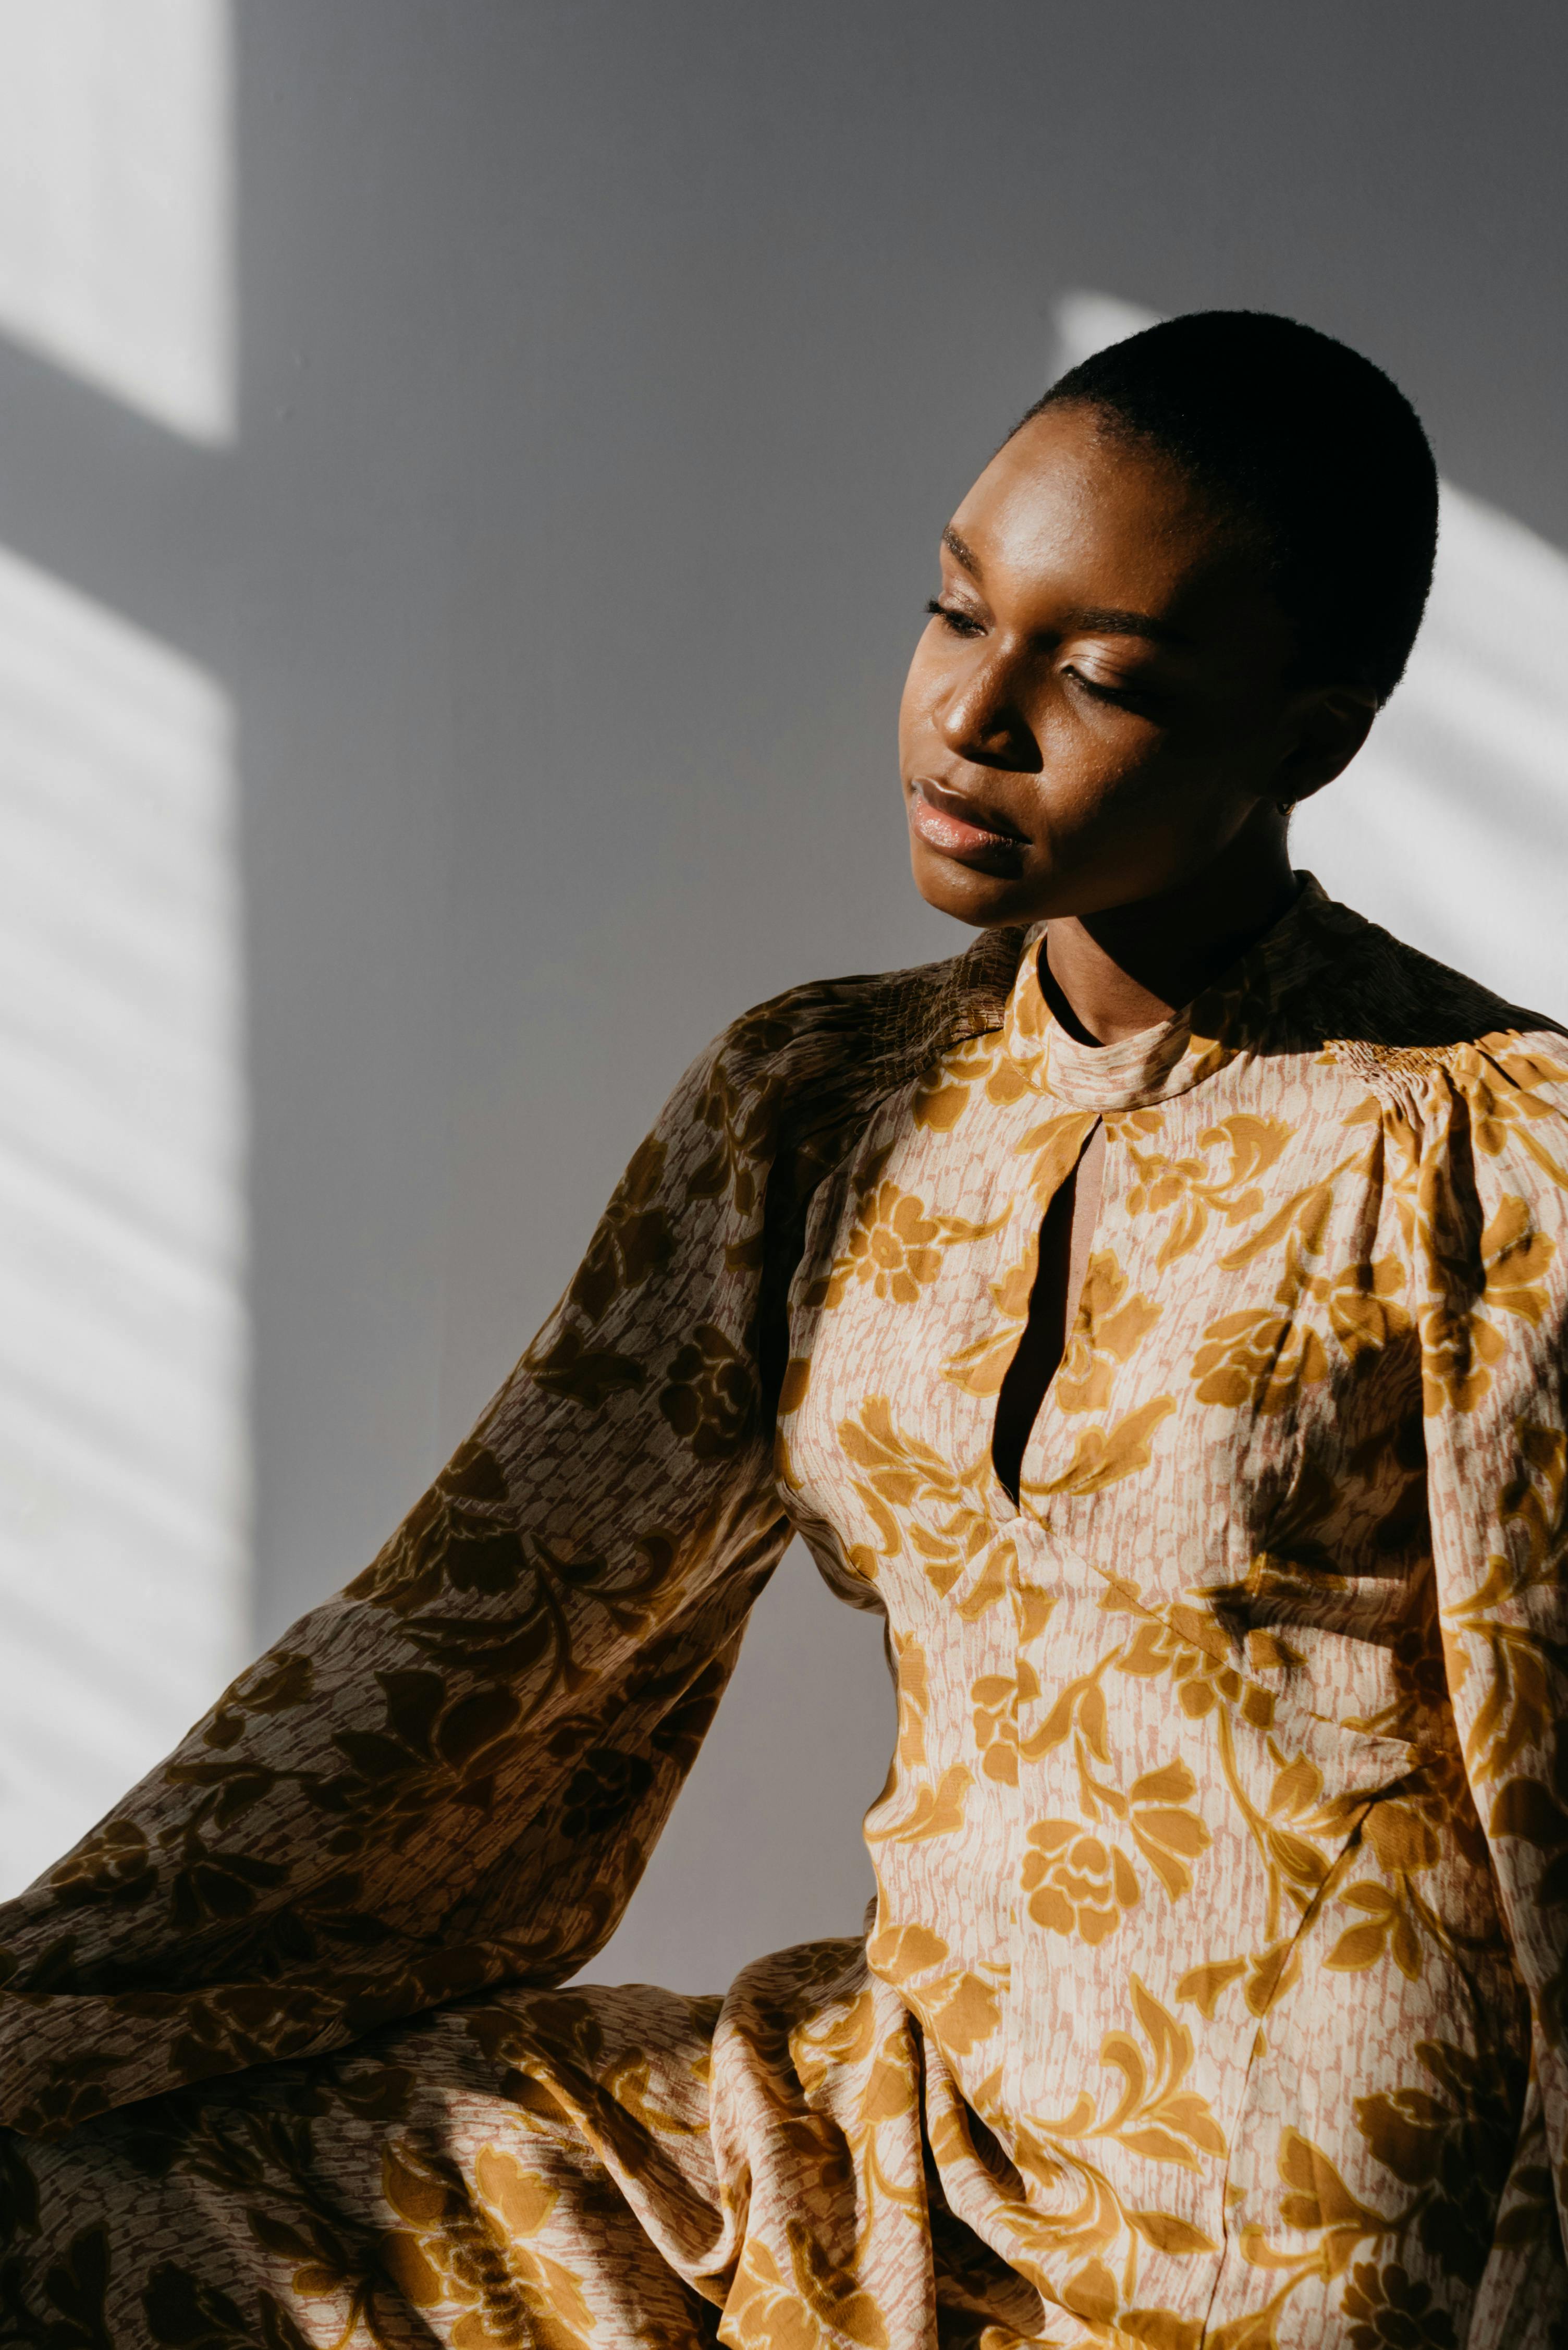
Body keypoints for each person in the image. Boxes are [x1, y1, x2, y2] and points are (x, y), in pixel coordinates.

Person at [1, 310, 1564, 2350]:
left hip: (1287, 2236)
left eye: (1095, 677)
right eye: (949, 612)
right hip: (873, 2125)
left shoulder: (1488, 1152)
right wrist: (50, 1993)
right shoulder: (811, 1103)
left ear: (1311, 732)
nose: (966, 717)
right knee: (93, 2200)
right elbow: (472, 1632)